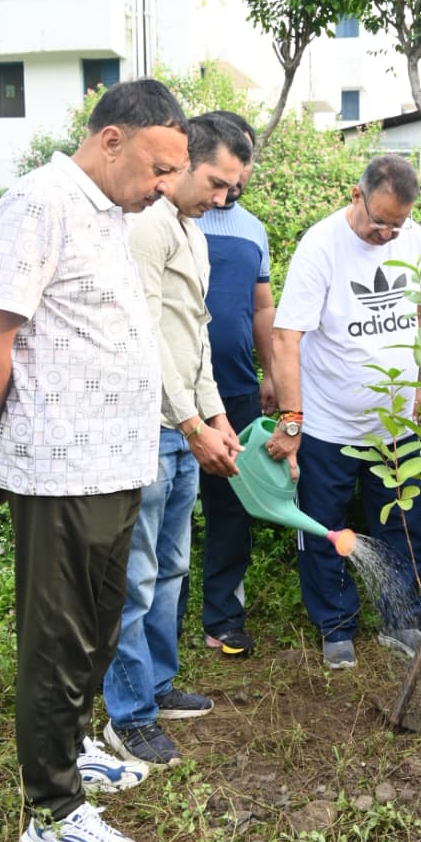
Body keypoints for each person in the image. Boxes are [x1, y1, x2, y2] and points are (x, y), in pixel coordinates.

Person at [0, 78, 188, 842]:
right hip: (59, 466)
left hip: (116, 465)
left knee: (100, 630)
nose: (165, 186)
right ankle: (53, 814)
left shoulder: (110, 214)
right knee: (58, 639)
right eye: (159, 166)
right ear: (112, 140)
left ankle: (72, 748)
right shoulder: (37, 203)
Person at [103, 115, 249, 768]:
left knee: (171, 572)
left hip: (184, 432)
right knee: (134, 580)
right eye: (215, 182)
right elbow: (147, 336)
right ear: (185, 159)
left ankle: (156, 687)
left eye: (231, 191)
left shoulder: (194, 234)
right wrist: (191, 426)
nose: (220, 200)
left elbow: (196, 341)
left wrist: (215, 418)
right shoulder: (145, 228)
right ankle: (126, 717)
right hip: (148, 430)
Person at [269, 154, 421, 670]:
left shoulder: (414, 240)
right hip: (327, 424)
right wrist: (293, 419)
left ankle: (403, 621)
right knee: (324, 526)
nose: (388, 233)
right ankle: (336, 625)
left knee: (404, 524)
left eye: (398, 224)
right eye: (379, 221)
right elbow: (286, 336)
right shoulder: (320, 246)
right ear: (355, 195)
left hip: (396, 425)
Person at [185, 111, 275, 658]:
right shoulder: (171, 219)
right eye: (224, 173)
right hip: (173, 396)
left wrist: (271, 374)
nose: (233, 186)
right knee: (166, 512)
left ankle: (222, 616)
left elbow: (263, 308)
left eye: (243, 169)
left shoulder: (252, 229)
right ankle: (161, 626)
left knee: (230, 507)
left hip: (236, 390)